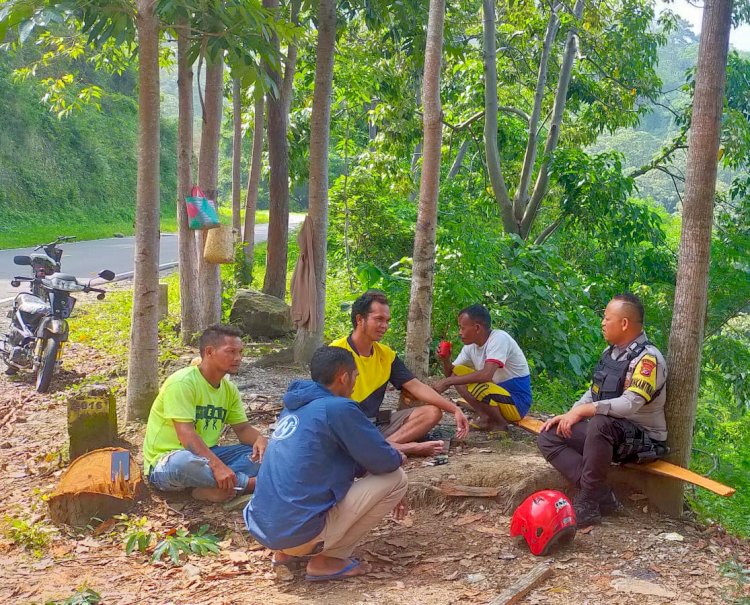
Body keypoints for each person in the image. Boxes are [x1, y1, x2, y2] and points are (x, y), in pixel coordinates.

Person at [244, 346, 408, 581]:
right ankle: (329, 560)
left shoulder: (294, 407)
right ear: (343, 377)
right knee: (396, 478)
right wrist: (397, 458)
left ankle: (284, 552)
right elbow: (384, 461)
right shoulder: (339, 407)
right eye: (355, 377)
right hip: (297, 533)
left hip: (262, 527)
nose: (354, 384)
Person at [537, 293, 668, 526]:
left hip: (644, 441)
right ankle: (601, 494)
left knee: (599, 422)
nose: (602, 323)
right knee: (550, 433)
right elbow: (593, 392)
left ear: (624, 323)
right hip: (608, 436)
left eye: (607, 318)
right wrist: (570, 414)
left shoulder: (648, 359)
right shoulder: (611, 354)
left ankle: (587, 502)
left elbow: (630, 404)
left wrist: (586, 411)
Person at [330, 290, 469, 456]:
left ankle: (385, 446)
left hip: (374, 425)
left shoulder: (386, 354)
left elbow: (416, 386)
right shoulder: (336, 351)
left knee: (432, 412)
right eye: (379, 319)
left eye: (387, 321)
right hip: (346, 426)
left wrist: (454, 409)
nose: (385, 326)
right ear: (360, 319)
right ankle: (387, 448)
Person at [143, 324, 267, 503]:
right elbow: (186, 434)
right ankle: (248, 484)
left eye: (240, 352)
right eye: (231, 352)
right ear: (209, 352)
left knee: (261, 455)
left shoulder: (229, 389)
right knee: (183, 463)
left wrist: (260, 439)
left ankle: (204, 488)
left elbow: (243, 429)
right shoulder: (183, 382)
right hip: (168, 461)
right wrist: (217, 466)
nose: (238, 358)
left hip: (208, 454)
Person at [433, 304, 532, 432]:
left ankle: (500, 424)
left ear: (477, 328)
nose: (460, 332)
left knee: (480, 387)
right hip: (498, 394)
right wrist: (446, 360)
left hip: (517, 403)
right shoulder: (470, 346)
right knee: (457, 374)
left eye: (463, 328)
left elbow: (486, 375)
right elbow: (451, 374)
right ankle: (486, 417)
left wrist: (448, 382)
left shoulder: (499, 339)